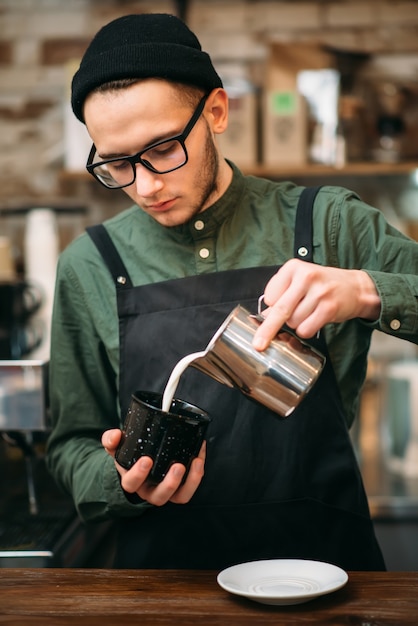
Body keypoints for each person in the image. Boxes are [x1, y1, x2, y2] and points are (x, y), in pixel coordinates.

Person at [46, 13, 418, 570]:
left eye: (164, 149)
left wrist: (368, 291)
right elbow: (69, 444)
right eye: (117, 164)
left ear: (216, 112)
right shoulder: (89, 265)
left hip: (323, 568)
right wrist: (120, 480)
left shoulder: (329, 222)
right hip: (164, 582)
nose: (145, 186)